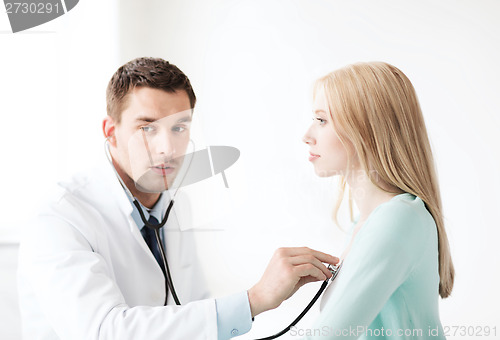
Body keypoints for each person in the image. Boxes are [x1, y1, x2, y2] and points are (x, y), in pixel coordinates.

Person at [17, 57, 339, 340]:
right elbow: (105, 331)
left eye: (179, 127)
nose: (167, 149)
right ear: (110, 131)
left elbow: (191, 306)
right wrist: (253, 300)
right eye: (147, 128)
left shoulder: (172, 204)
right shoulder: (59, 217)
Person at [301, 62, 454, 339]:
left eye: (321, 120)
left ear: (366, 130)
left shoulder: (399, 220)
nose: (307, 136)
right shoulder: (363, 223)